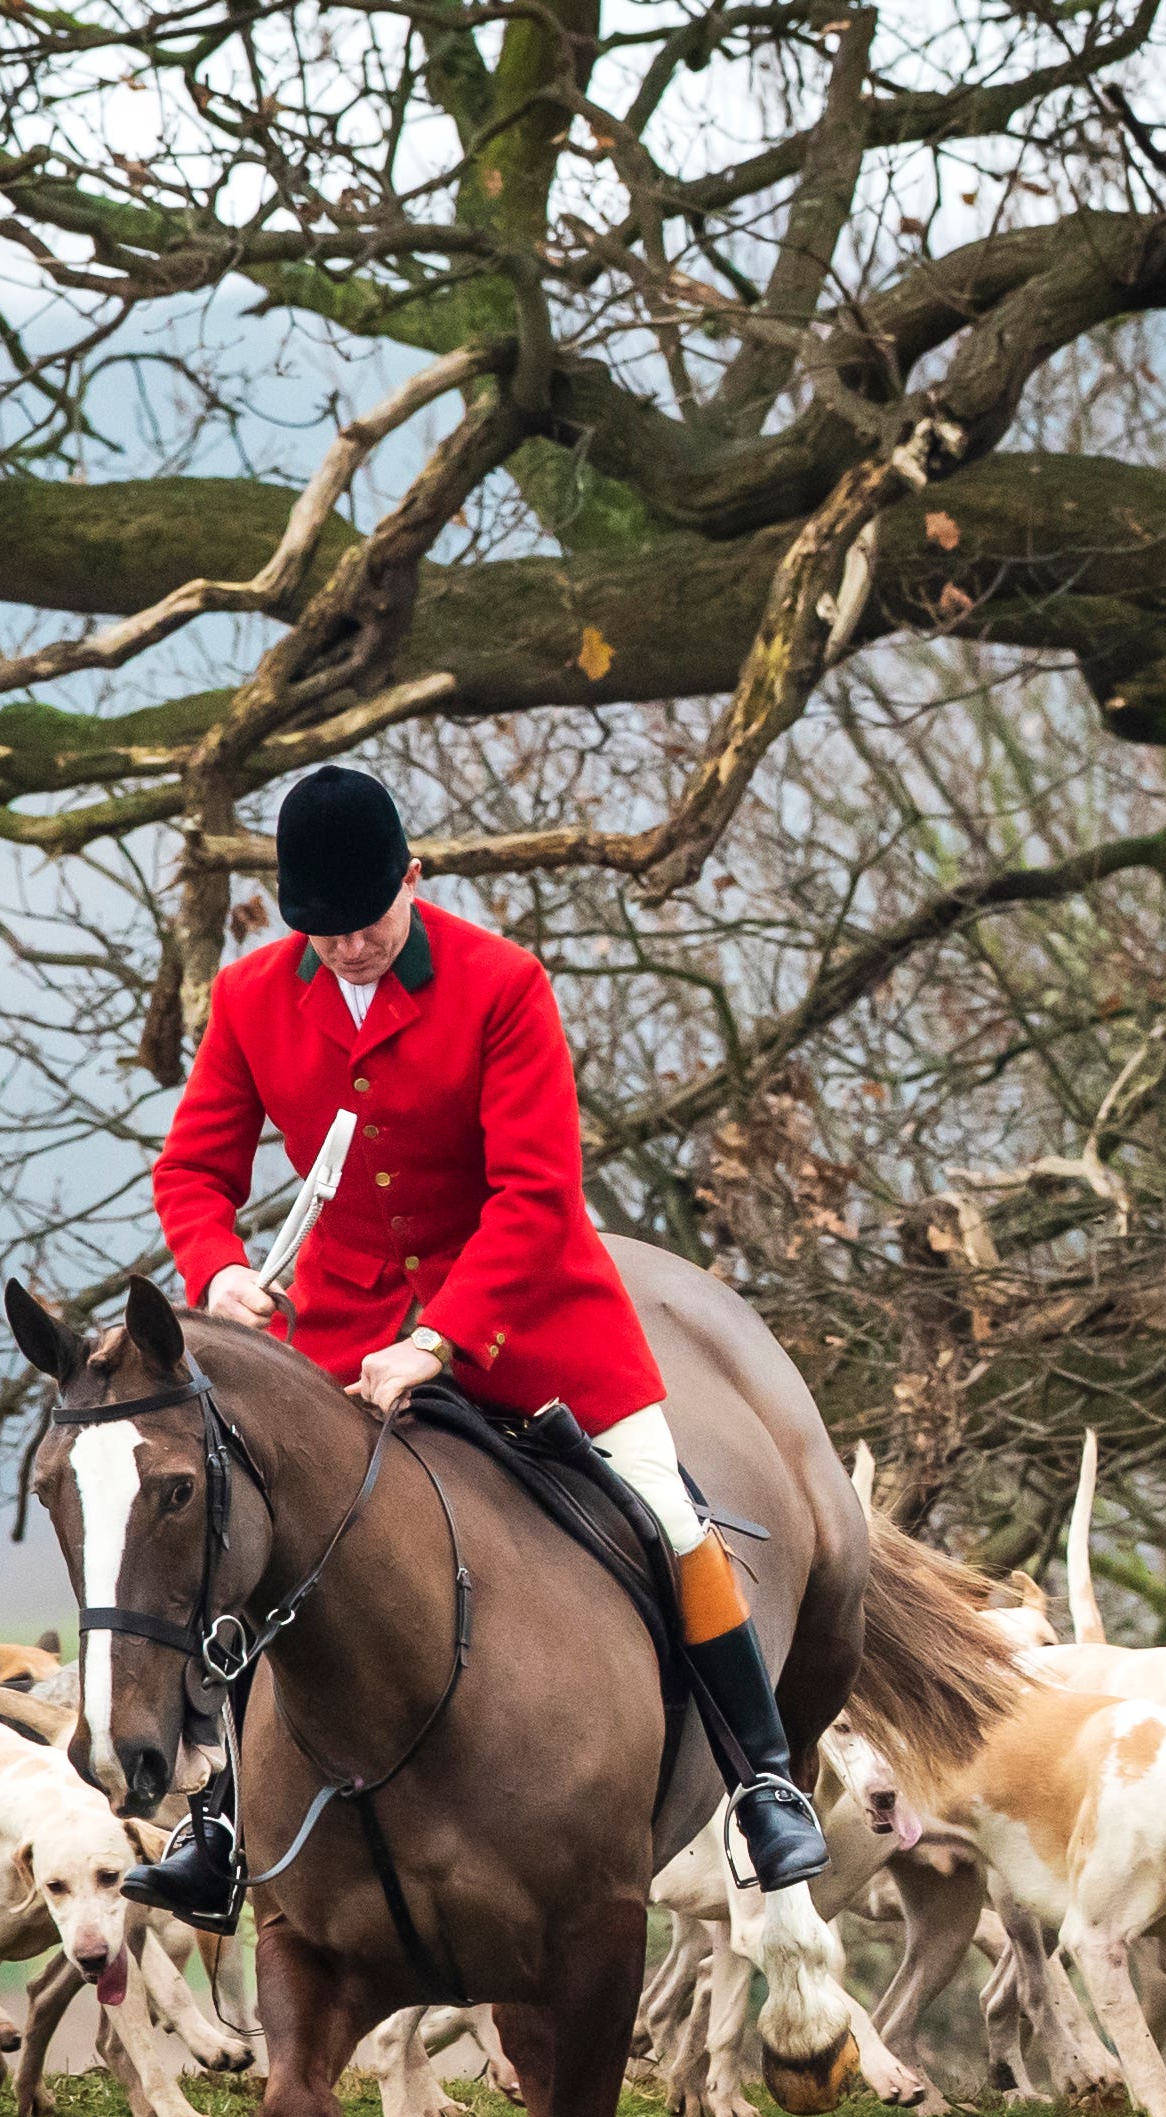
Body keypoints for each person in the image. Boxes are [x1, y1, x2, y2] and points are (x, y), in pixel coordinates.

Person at [118, 763, 833, 1927]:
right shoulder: (254, 995)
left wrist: (442, 1338)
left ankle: (761, 1779)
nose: (348, 947)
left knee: (669, 1504)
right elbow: (193, 1169)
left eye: (368, 921)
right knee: (242, 1529)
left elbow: (539, 1191)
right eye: (324, 930)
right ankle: (221, 1819)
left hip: (526, 1307)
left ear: (415, 876)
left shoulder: (503, 984)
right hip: (341, 1320)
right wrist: (221, 1268)